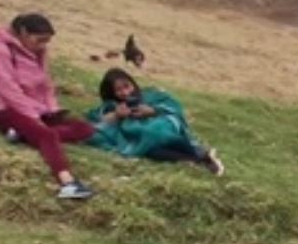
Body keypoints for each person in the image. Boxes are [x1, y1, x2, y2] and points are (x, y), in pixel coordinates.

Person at [0, 13, 97, 200]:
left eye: (47, 41)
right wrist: (33, 117)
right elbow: (7, 89)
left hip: (38, 109)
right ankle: (67, 183)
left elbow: (46, 85)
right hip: (7, 109)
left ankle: (23, 134)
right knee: (47, 134)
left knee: (84, 128)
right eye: (40, 40)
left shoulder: (39, 53)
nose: (43, 45)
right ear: (24, 33)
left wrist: (51, 109)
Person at [86, 68, 225, 174]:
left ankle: (200, 156)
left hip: (161, 128)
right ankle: (199, 160)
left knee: (157, 132)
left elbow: (172, 107)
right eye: (118, 90)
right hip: (142, 138)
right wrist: (117, 115)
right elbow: (97, 123)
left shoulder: (150, 95)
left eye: (126, 86)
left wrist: (152, 111)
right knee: (150, 148)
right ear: (111, 93)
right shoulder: (111, 106)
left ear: (132, 83)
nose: (125, 92)